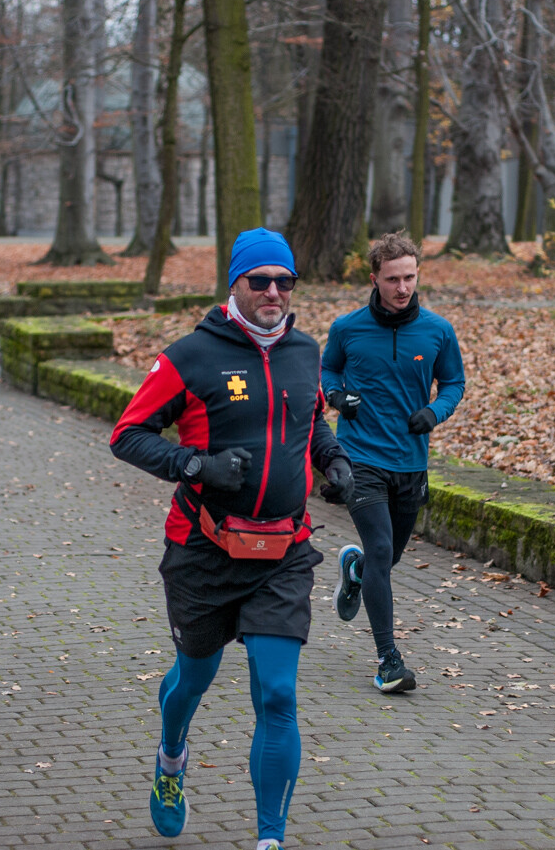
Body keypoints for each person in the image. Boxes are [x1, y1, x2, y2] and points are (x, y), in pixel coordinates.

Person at [110, 228, 353, 850]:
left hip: (284, 553)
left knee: (276, 693)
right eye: (259, 281)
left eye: (284, 281)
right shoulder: (190, 355)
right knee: (193, 678)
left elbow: (309, 421)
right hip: (203, 551)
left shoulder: (305, 351)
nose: (273, 292)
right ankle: (171, 759)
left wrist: (335, 461)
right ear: (234, 285)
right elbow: (127, 434)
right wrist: (195, 466)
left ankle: (269, 838)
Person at [321, 231, 465, 694]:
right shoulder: (348, 328)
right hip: (360, 456)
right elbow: (327, 370)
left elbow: (455, 384)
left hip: (411, 461)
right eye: (392, 279)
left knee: (389, 557)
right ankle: (388, 660)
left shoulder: (438, 331)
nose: (402, 288)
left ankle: (357, 570)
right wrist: (338, 396)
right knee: (382, 551)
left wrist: (434, 412)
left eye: (409, 277)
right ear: (374, 279)